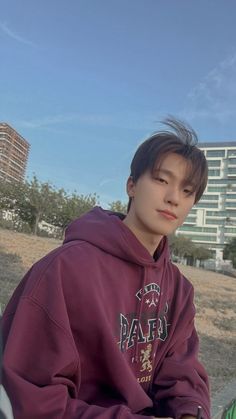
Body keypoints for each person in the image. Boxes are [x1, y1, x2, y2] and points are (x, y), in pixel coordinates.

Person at [1, 118, 210, 419]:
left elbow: (183, 372)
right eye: (162, 180)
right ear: (132, 185)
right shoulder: (65, 270)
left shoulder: (179, 289)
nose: (173, 198)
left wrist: (191, 412)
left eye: (187, 191)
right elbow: (33, 397)